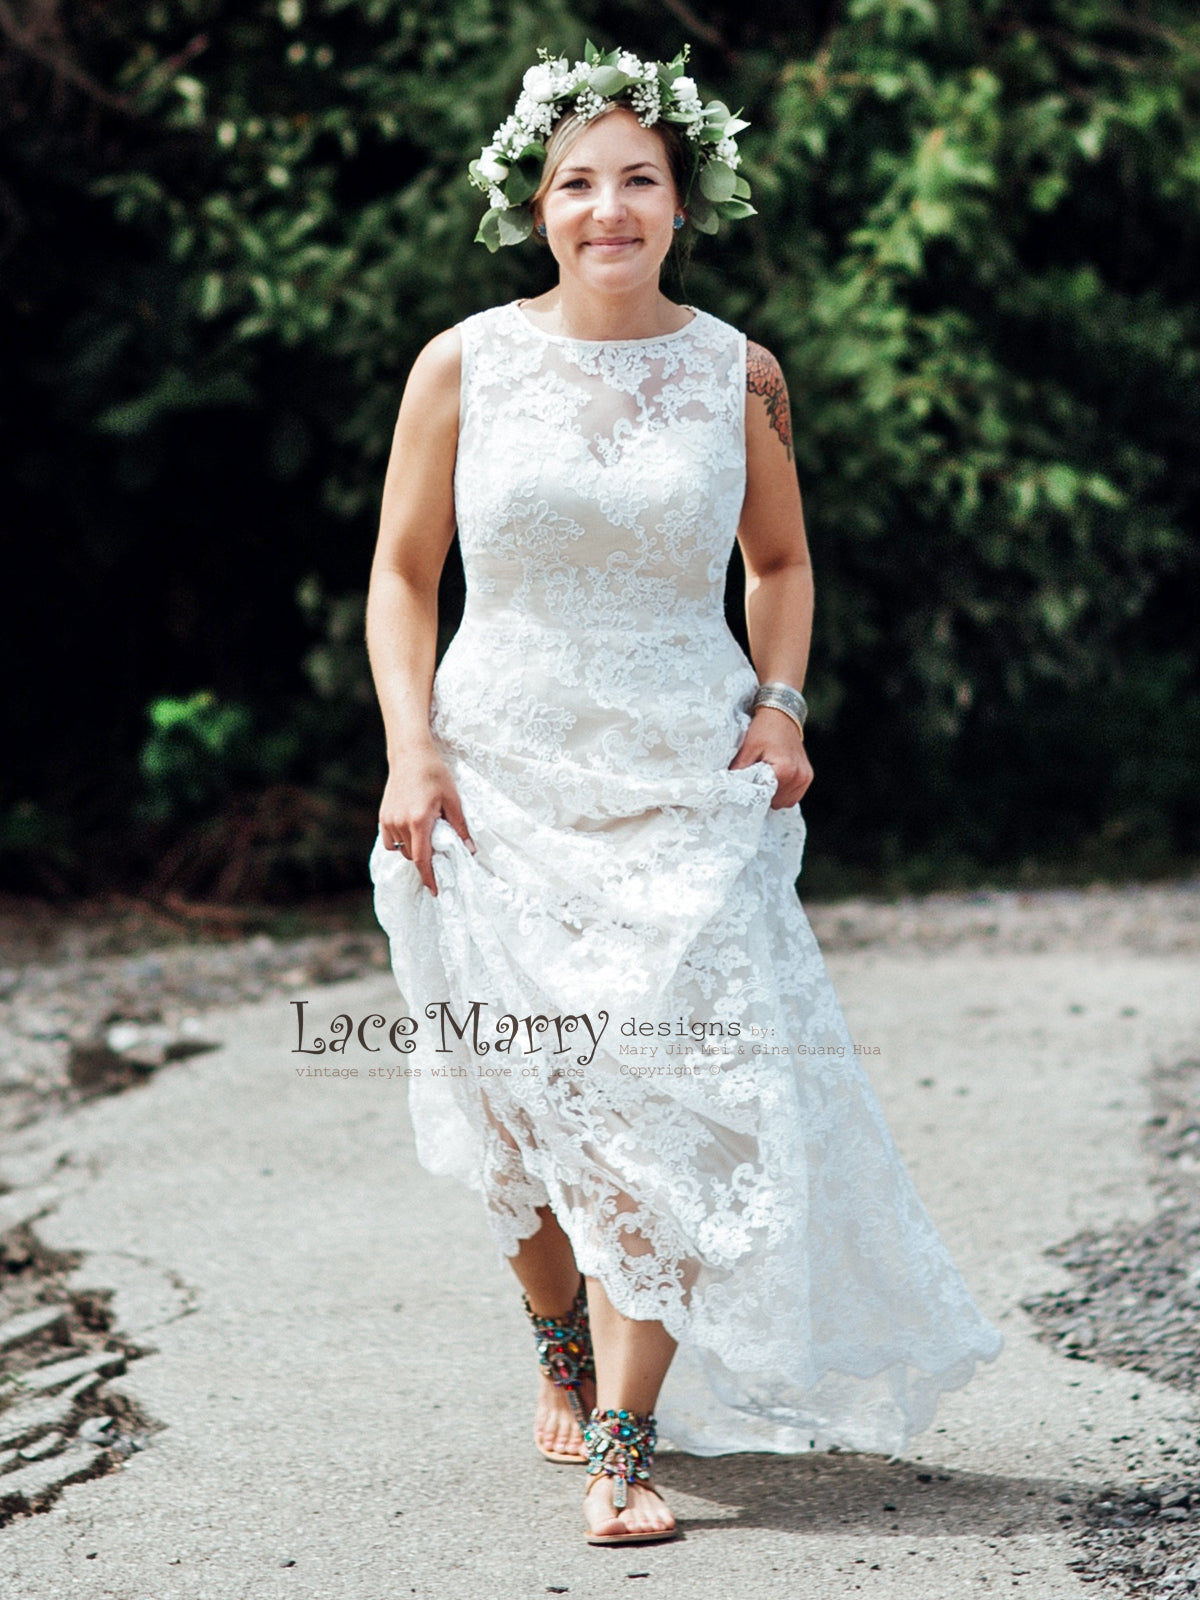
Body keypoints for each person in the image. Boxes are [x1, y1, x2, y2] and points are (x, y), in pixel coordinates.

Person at [366, 45, 1003, 1547]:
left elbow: (779, 568)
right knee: (514, 1096)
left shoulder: (741, 373)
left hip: (684, 776)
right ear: (537, 206)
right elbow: (403, 578)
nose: (609, 209)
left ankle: (626, 1446)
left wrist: (781, 711)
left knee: (678, 1092)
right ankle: (562, 1351)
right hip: (495, 772)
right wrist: (413, 749)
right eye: (579, 184)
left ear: (681, 200)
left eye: (638, 181)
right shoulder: (462, 362)